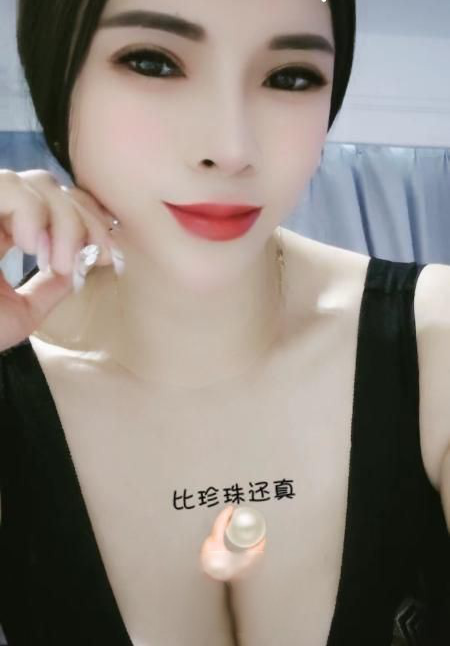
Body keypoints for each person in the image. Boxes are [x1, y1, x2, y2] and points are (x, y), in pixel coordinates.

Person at [0, 0, 448, 645]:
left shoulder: (434, 334)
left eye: (290, 76)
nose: (230, 150)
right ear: (58, 79)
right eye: (153, 63)